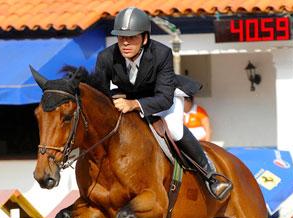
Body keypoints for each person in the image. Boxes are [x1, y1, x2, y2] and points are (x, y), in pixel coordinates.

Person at [94, 7, 232, 200]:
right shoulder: (106, 57)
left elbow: (164, 98)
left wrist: (134, 104)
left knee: (174, 130)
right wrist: (116, 96)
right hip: (129, 99)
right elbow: (100, 93)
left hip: (164, 96)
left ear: (144, 38)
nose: (125, 43)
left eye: (131, 37)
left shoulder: (161, 53)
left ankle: (210, 174)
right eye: (120, 37)